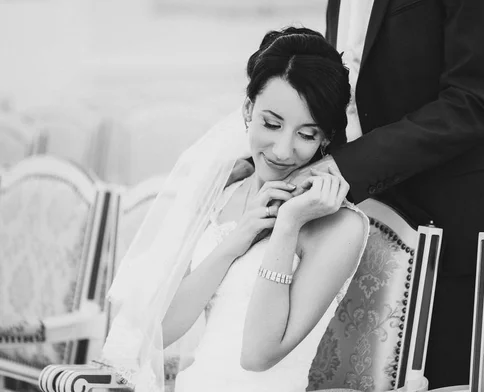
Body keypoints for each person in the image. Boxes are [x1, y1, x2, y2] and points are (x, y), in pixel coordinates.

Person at [98, 27, 369, 392]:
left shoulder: (339, 227)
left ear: (324, 138)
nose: (283, 150)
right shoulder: (225, 191)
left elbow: (257, 356)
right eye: (271, 124)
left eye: (307, 134)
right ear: (247, 109)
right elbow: (161, 330)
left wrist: (287, 225)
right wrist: (236, 240)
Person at [282, 0, 484, 388]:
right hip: (353, 232)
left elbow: (475, 102)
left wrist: (347, 168)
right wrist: (286, 157)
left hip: (452, 231)